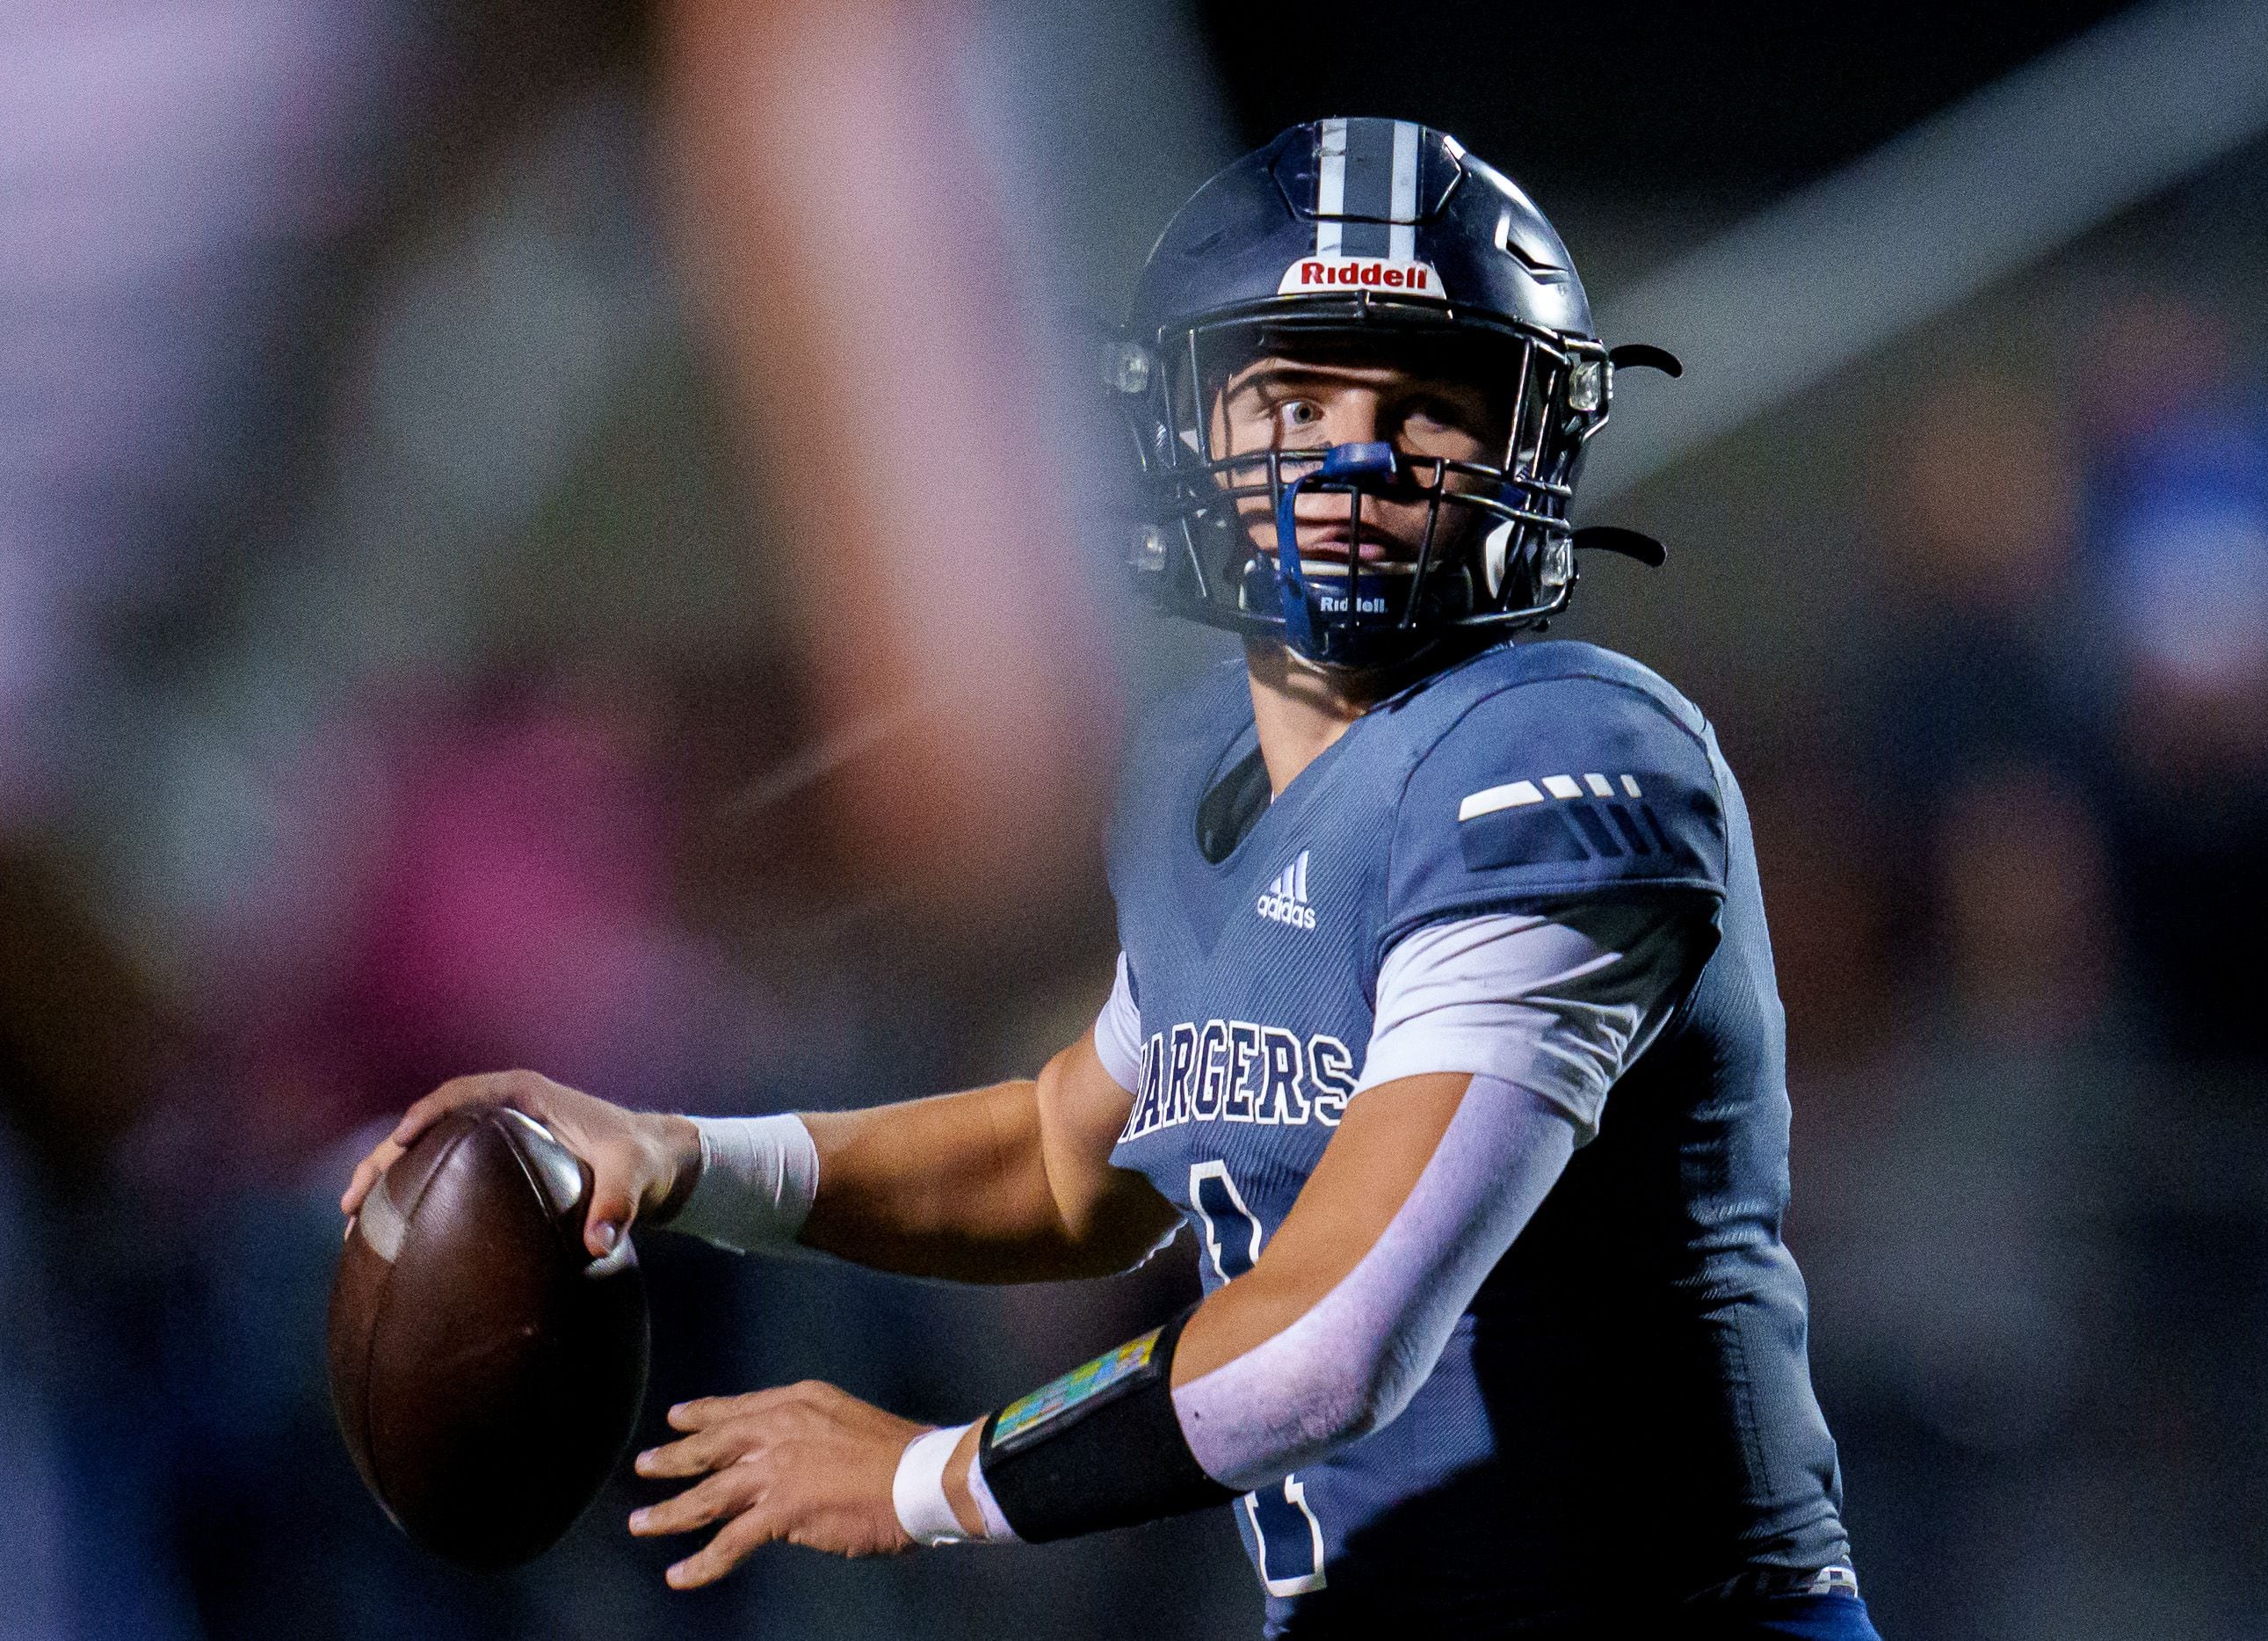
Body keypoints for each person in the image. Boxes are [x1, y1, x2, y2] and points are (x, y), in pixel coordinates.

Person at [343, 117, 1880, 1638]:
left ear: (1528, 443)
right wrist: (683, 1159)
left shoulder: (1559, 768)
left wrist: (928, 1479)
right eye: (1293, 395)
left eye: (1427, 408)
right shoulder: (1210, 763)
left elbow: (1333, 1343)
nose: (1355, 456)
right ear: (1187, 426)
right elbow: (1070, 1159)